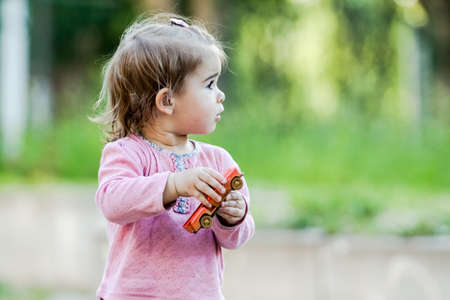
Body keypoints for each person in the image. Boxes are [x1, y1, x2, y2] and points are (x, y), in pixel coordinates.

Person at [91, 13, 255, 300]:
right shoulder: (126, 153)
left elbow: (236, 239)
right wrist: (173, 185)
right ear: (167, 101)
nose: (221, 95)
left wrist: (234, 216)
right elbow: (112, 202)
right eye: (209, 84)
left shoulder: (218, 160)